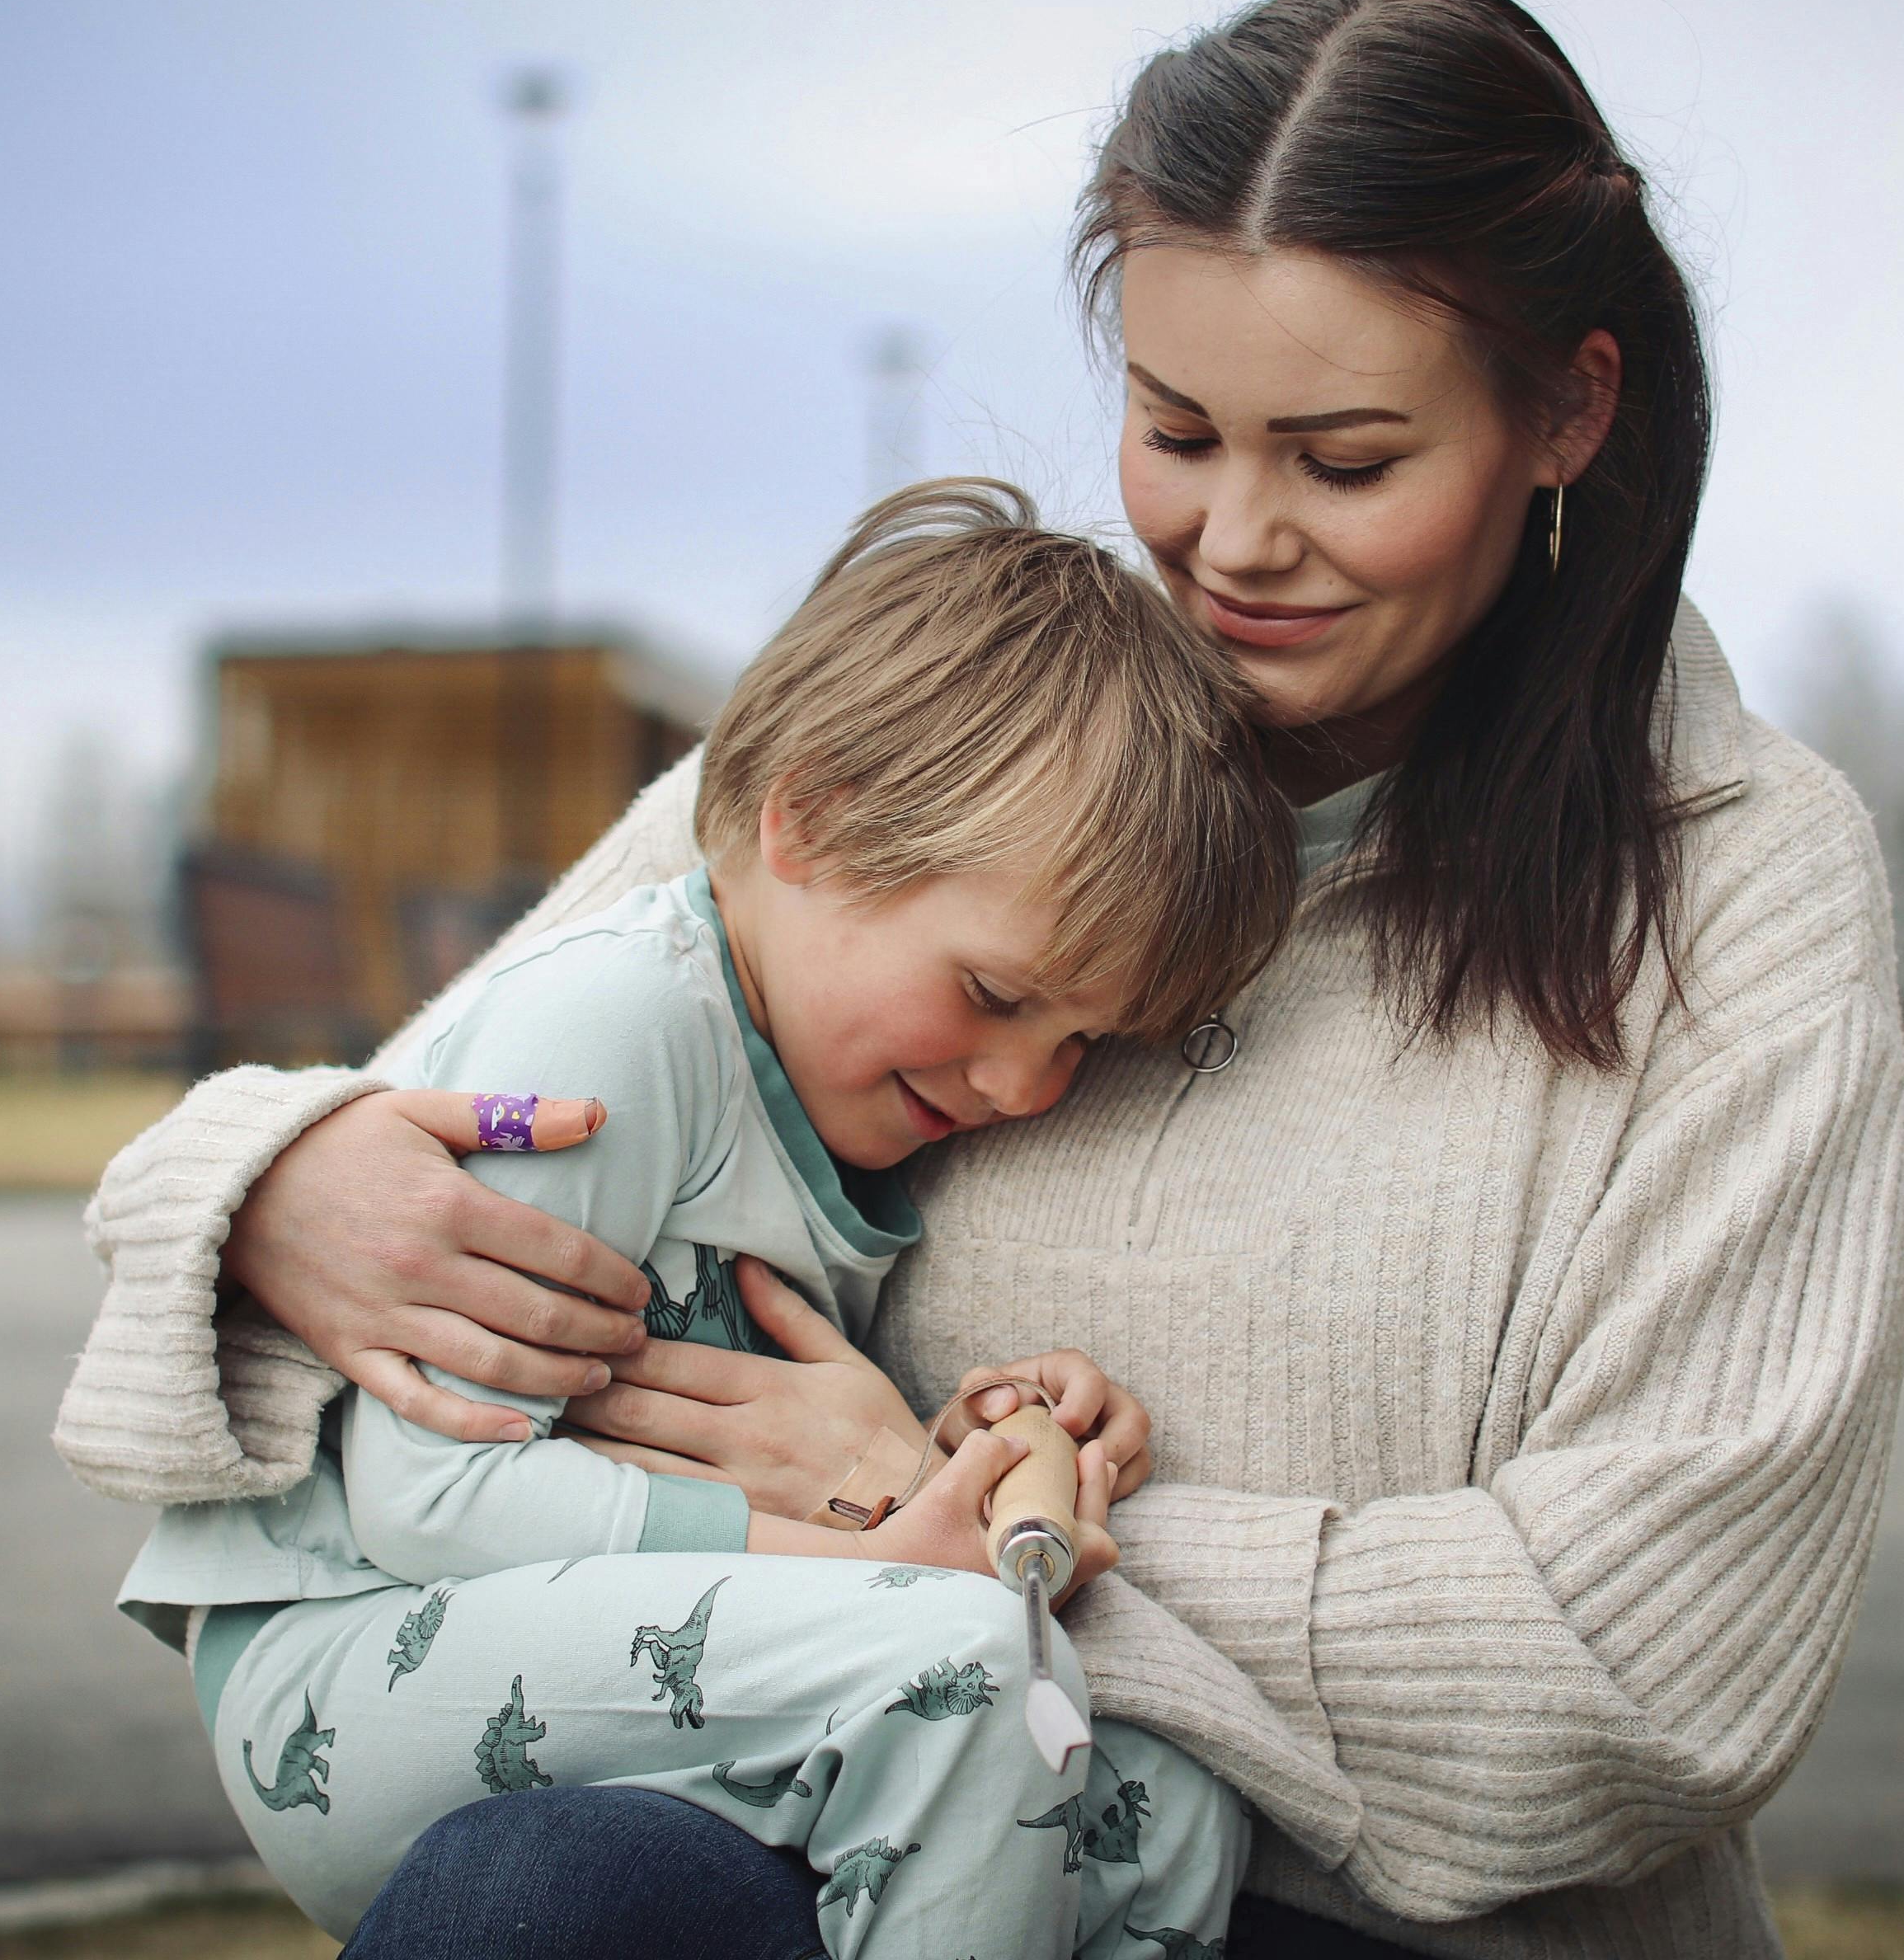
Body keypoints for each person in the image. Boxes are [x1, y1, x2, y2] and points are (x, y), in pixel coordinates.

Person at [56, 0, 1904, 1960]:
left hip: (1375, 1924)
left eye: (1348, 459)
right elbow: (490, 1127)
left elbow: (1652, 1668)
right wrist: (275, 1184)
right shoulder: (968, 745)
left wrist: (968, 1530)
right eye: (1177, 426)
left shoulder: (1741, 883)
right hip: (851, 1833)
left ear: (1570, 407)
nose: (1233, 538)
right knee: (547, 1898)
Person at [111, 484, 1295, 1955]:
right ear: (809, 823)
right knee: (967, 1665)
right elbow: (430, 1498)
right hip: (354, 1668)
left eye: (1081, 1043)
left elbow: (733, 1428)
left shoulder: (812, 1078)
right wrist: (883, 1571)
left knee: (1172, 1805)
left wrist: (982, 1435)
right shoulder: (612, 1031)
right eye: (996, 997)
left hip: (596, 1654)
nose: (1022, 1084)